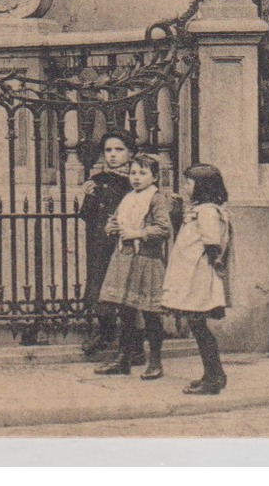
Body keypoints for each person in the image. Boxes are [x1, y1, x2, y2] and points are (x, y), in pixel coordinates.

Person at [94, 152, 173, 380]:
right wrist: (112, 226)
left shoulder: (157, 199)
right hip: (125, 258)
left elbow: (164, 229)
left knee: (150, 314)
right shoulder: (128, 197)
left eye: (143, 173)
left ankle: (155, 362)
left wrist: (138, 232)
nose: (136, 178)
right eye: (133, 173)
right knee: (125, 311)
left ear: (155, 176)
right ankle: (124, 359)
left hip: (146, 261)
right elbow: (118, 219)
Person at [160, 163, 233, 395]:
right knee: (197, 326)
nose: (185, 187)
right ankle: (212, 374)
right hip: (193, 273)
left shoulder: (208, 211)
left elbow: (212, 242)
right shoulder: (200, 209)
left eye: (189, 183)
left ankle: (214, 377)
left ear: (202, 186)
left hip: (198, 275)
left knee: (199, 327)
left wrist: (211, 272)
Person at [72, 129, 138, 358]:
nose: (112, 155)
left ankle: (131, 345)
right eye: (108, 150)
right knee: (98, 288)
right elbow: (87, 216)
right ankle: (106, 332)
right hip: (99, 243)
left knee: (125, 292)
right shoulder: (97, 181)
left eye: (119, 150)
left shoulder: (135, 181)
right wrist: (89, 196)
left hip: (124, 244)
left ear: (130, 153)